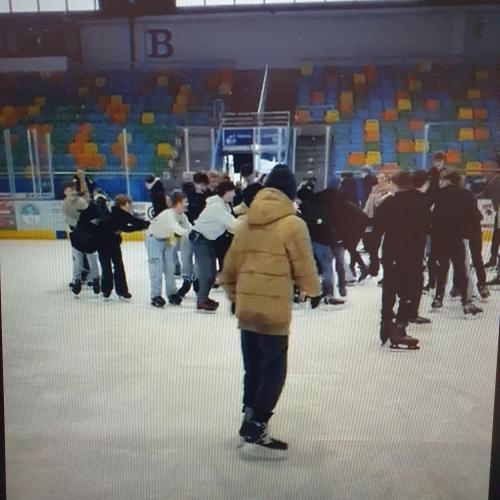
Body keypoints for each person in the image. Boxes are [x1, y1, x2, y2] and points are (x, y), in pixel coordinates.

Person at [221, 164, 321, 453]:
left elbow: (229, 268)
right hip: (273, 310)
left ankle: (249, 416)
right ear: (290, 192)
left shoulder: (246, 222)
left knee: (252, 367)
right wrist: (314, 291)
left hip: (247, 308)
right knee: (274, 369)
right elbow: (304, 264)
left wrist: (235, 297)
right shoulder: (293, 224)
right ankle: (257, 424)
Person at [371, 172, 430, 350]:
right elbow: (430, 228)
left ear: (395, 184)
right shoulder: (422, 202)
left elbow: (376, 232)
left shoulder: (388, 203)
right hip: (413, 255)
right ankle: (400, 325)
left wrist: (373, 259)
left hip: (392, 255)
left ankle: (386, 322)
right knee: (408, 292)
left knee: (389, 289)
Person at [430, 171, 483, 315]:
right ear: (458, 181)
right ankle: (466, 301)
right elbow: (474, 216)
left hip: (441, 237)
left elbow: (434, 216)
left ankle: (438, 297)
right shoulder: (466, 194)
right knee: (460, 268)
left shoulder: (440, 194)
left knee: (442, 268)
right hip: (457, 237)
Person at [190, 181, 240, 312]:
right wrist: (249, 226)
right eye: (233, 192)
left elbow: (230, 227)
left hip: (207, 240)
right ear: (227, 192)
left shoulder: (224, 206)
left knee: (212, 273)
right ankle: (201, 300)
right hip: (200, 239)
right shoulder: (217, 207)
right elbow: (232, 224)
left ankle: (203, 298)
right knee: (207, 272)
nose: (234, 195)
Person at [96, 195, 150, 301]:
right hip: (104, 243)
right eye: (129, 205)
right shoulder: (118, 213)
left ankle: (111, 291)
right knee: (111, 267)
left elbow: (132, 222)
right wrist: (145, 225)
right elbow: (127, 227)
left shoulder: (118, 212)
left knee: (113, 266)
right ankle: (113, 291)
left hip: (110, 243)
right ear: (123, 204)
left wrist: (145, 224)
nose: (130, 207)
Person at [297, 187, 345, 305]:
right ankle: (328, 294)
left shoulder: (304, 208)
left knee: (312, 268)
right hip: (323, 241)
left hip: (310, 241)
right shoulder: (322, 205)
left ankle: (307, 292)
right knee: (327, 268)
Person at [145, 191, 191, 308]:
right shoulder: (168, 214)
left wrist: (197, 232)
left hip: (167, 239)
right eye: (185, 202)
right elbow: (178, 229)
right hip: (154, 239)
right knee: (157, 267)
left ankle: (172, 294)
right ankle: (155, 296)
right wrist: (190, 233)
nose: (187, 204)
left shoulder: (182, 216)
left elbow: (188, 228)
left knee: (170, 267)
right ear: (178, 203)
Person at [62, 172, 100, 296]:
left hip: (77, 233)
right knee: (90, 257)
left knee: (78, 258)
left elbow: (68, 219)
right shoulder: (82, 200)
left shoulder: (66, 203)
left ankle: (78, 279)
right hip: (86, 232)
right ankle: (94, 279)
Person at [363, 172, 392, 274]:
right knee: (373, 244)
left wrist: (384, 195)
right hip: (374, 219)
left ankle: (382, 267)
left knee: (384, 245)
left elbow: (378, 203)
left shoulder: (389, 190)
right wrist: (365, 213)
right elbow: (369, 203)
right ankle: (373, 266)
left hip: (385, 220)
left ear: (386, 179)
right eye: (378, 177)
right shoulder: (375, 189)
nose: (378, 179)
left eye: (380, 177)